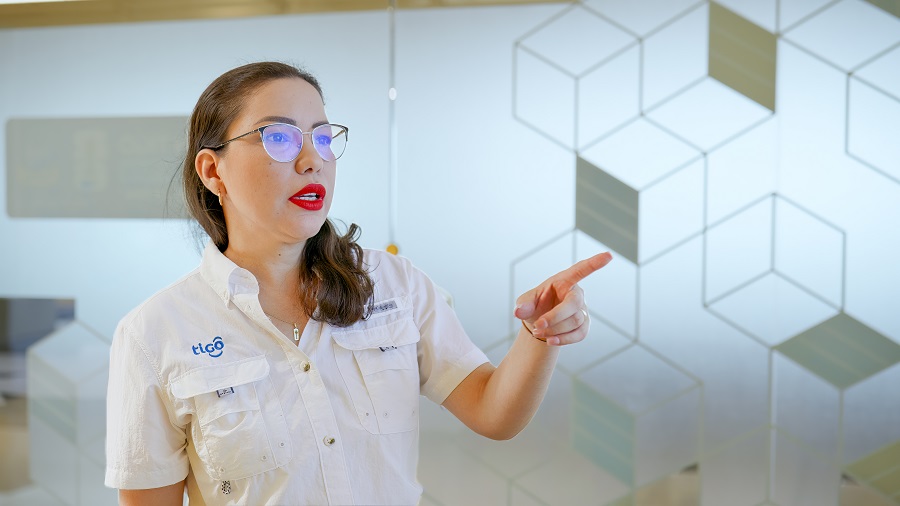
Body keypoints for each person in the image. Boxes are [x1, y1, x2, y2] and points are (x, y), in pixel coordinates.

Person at [104, 61, 612, 505]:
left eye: (323, 138)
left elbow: (493, 413)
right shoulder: (155, 333)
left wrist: (540, 334)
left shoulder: (393, 285)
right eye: (279, 138)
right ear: (213, 171)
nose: (312, 159)